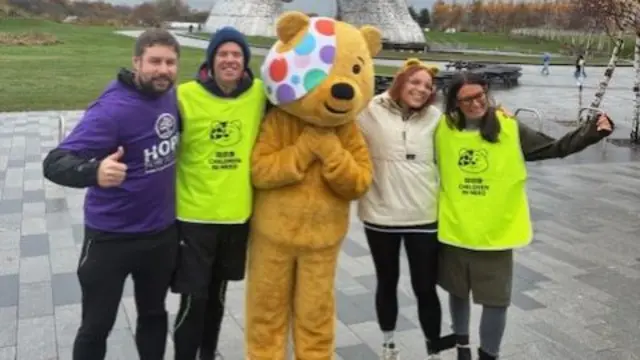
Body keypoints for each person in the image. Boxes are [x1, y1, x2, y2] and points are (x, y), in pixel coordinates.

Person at [434, 72, 613, 360]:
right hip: (456, 231)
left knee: (495, 301)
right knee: (457, 293)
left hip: (496, 235)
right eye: (466, 99)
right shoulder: (442, 128)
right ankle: (462, 348)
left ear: (486, 93)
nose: (475, 103)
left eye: (479, 95)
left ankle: (488, 355)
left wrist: (592, 133)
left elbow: (553, 147)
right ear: (455, 102)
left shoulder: (509, 128)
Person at [42, 29, 181, 360]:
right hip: (110, 239)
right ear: (136, 62)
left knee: (154, 314)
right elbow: (55, 162)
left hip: (160, 235)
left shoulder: (172, 97)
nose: (163, 70)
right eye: (155, 61)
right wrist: (95, 172)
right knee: (96, 325)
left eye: (171, 62)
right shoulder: (111, 110)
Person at [170, 27, 266, 360]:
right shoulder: (183, 96)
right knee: (193, 299)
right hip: (194, 217)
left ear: (244, 61)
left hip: (236, 217)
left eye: (236, 54)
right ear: (211, 60)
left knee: (217, 296)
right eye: (222, 54)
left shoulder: (258, 94)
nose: (229, 60)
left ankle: (207, 354)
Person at [357, 58, 456, 360]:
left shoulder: (437, 119)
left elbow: (467, 136)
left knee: (425, 287)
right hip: (380, 215)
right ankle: (388, 343)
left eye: (427, 86)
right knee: (386, 281)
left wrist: (498, 117)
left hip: (423, 217)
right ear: (400, 82)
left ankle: (434, 349)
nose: (422, 89)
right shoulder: (369, 110)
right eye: (415, 82)